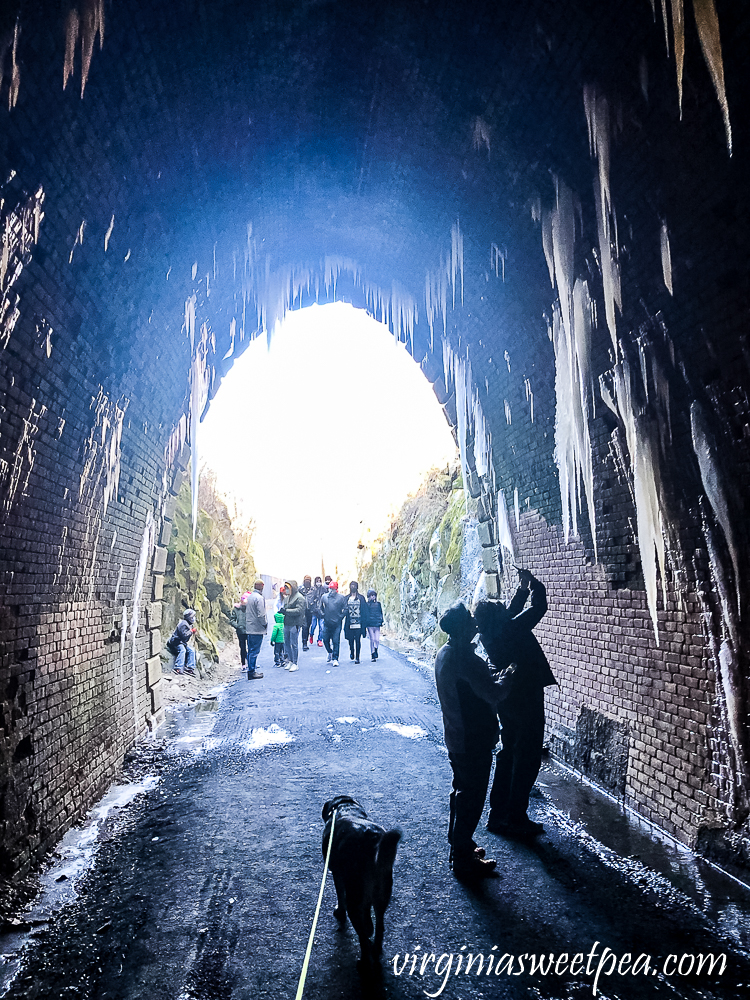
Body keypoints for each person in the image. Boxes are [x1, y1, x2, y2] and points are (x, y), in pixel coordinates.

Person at [473, 569, 557, 839]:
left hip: (507, 698)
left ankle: (499, 814)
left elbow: (509, 611)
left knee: (508, 753)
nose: (504, 608)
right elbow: (539, 606)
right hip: (527, 695)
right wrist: (534, 584)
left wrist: (522, 587)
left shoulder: (492, 632)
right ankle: (516, 817)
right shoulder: (511, 629)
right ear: (499, 619)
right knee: (527, 756)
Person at [434, 602, 515, 878]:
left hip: (456, 736)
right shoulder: (465, 659)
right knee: (472, 797)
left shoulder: (445, 654)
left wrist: (491, 678)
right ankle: (462, 859)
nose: (474, 621)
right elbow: (493, 694)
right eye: (469, 619)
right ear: (462, 628)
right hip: (473, 739)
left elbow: (474, 686)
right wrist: (510, 676)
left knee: (460, 793)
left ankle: (461, 844)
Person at [282, 578, 306, 672]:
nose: (286, 590)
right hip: (287, 623)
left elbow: (299, 610)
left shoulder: (299, 598)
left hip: (294, 624)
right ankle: (290, 661)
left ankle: (295, 663)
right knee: (286, 643)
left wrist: (286, 611)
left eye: (288, 588)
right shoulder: (287, 598)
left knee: (293, 644)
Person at [244, 579, 267, 680]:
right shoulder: (259, 598)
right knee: (255, 651)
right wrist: (265, 624)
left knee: (250, 650)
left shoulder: (250, 597)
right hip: (257, 628)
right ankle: (252, 671)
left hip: (249, 627)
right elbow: (261, 614)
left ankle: (250, 669)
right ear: (262, 586)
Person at [321, 581, 347, 666]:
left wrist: (341, 617)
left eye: (333, 589)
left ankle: (335, 658)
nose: (331, 591)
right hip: (327, 622)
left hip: (337, 623)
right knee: (325, 640)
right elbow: (320, 607)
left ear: (336, 589)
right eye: (330, 589)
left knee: (336, 641)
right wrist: (322, 615)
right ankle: (330, 652)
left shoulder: (341, 598)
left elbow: (346, 608)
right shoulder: (324, 597)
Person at [166, 608, 198, 675]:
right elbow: (184, 636)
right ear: (189, 617)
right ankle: (178, 668)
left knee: (192, 650)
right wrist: (191, 631)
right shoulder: (183, 624)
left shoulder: (189, 624)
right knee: (182, 650)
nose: (194, 618)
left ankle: (190, 668)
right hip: (176, 642)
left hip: (182, 643)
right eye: (192, 617)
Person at [343, 581, 367, 663]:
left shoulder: (361, 598)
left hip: (359, 623)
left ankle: (357, 657)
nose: (353, 587)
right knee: (350, 640)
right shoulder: (346, 598)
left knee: (357, 640)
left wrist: (365, 623)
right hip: (349, 623)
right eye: (351, 585)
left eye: (354, 585)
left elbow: (364, 610)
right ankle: (352, 652)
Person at [227, 594, 248, 668]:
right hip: (240, 631)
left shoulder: (250, 608)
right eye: (243, 599)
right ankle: (243, 663)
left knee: (251, 647)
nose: (244, 601)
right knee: (242, 647)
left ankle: (251, 662)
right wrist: (237, 626)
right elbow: (232, 620)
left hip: (249, 630)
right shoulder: (236, 609)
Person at [365, 588, 383, 661]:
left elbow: (381, 613)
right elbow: (365, 614)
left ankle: (376, 649)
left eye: (374, 595)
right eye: (371, 595)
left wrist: (381, 620)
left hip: (377, 623)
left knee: (377, 639)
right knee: (372, 639)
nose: (373, 597)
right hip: (370, 624)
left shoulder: (378, 604)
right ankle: (373, 654)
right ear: (369, 596)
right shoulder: (367, 605)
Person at [309, 575, 326, 647]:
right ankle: (311, 634)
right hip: (314, 611)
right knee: (313, 625)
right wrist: (312, 605)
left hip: (321, 611)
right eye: (317, 581)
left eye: (319, 581)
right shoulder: (313, 589)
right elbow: (310, 599)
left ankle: (319, 640)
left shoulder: (323, 589)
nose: (318, 583)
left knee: (322, 627)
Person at [299, 575, 314, 651]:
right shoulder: (300, 589)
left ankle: (306, 641)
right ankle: (304, 643)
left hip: (310, 611)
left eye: (309, 580)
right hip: (302, 610)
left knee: (308, 626)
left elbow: (317, 599)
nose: (307, 582)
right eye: (306, 580)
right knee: (304, 627)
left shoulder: (313, 589)